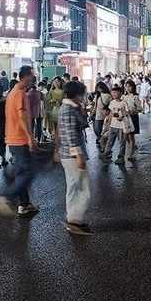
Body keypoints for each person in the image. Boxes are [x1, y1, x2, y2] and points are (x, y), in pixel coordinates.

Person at [0, 66, 39, 217]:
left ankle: (24, 204)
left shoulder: (13, 92)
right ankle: (6, 196)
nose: (33, 78)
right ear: (25, 76)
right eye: (32, 76)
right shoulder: (19, 93)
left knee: (21, 173)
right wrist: (30, 137)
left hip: (13, 138)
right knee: (28, 172)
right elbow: (21, 117)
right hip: (20, 139)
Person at [58, 81, 93, 235]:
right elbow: (71, 134)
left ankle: (73, 218)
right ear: (77, 94)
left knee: (73, 186)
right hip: (72, 155)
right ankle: (75, 221)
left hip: (67, 154)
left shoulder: (70, 107)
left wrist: (81, 110)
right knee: (83, 188)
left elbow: (83, 125)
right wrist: (78, 155)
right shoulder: (68, 110)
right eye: (82, 94)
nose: (84, 96)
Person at [102, 87, 131, 165]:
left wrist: (122, 116)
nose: (113, 94)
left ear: (120, 93)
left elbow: (127, 112)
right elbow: (111, 113)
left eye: (115, 92)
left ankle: (121, 157)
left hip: (121, 126)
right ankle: (106, 154)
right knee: (109, 141)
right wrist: (108, 124)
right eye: (112, 92)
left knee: (122, 142)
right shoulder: (112, 102)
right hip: (113, 125)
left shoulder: (124, 103)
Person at [123, 80, 141, 161]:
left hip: (133, 117)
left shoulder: (135, 97)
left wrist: (133, 111)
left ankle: (131, 154)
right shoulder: (123, 97)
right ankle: (132, 146)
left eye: (129, 86)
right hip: (125, 118)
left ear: (133, 87)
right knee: (126, 136)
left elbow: (140, 108)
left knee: (131, 136)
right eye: (126, 86)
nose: (128, 88)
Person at [90, 81, 111, 146]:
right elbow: (95, 104)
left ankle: (103, 143)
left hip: (105, 114)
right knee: (97, 130)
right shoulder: (97, 95)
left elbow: (109, 105)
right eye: (97, 88)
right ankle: (100, 140)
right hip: (97, 114)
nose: (98, 89)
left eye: (99, 87)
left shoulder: (108, 95)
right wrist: (92, 112)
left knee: (102, 130)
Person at [46, 77, 64, 141]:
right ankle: (55, 137)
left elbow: (65, 100)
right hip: (54, 110)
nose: (56, 83)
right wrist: (52, 101)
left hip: (62, 110)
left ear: (61, 82)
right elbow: (48, 100)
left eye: (58, 81)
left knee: (61, 125)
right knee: (54, 125)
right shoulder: (51, 91)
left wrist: (60, 102)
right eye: (55, 81)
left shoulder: (63, 91)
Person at [26, 80, 44, 144]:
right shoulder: (39, 93)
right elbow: (43, 99)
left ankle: (31, 140)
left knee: (31, 126)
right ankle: (39, 140)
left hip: (30, 113)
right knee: (39, 126)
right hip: (38, 112)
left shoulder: (27, 94)